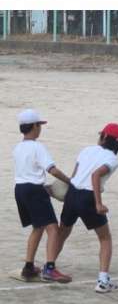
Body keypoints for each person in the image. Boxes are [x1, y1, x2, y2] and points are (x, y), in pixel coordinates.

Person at [56, 123, 118, 293]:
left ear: (103, 137)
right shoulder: (113, 159)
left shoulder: (86, 150)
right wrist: (98, 203)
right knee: (105, 238)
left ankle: (49, 267)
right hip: (88, 197)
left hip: (72, 193)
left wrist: (65, 194)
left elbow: (74, 176)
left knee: (62, 232)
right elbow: (96, 175)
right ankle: (103, 281)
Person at [13, 108, 72, 283]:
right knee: (53, 228)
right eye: (39, 125)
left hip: (20, 189)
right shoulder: (38, 147)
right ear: (34, 126)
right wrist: (70, 181)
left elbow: (27, 172)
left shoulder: (17, 148)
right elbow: (52, 170)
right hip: (34, 191)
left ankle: (29, 267)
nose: (40, 128)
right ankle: (50, 269)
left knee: (38, 227)